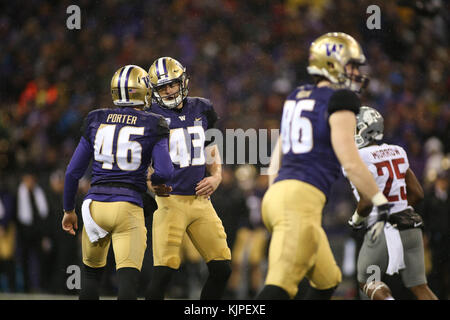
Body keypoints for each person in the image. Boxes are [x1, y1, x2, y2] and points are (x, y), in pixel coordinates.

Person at [256, 32, 392, 300]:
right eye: (351, 65)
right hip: (299, 201)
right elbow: (350, 162)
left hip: (278, 196)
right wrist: (382, 202)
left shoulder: (296, 95)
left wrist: (278, 196)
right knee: (278, 289)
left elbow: (276, 159)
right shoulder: (340, 100)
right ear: (333, 65)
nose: (356, 72)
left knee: (328, 279)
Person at [61, 65, 174, 300]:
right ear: (142, 90)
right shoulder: (154, 123)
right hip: (128, 207)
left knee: (90, 278)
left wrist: (68, 210)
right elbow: (165, 171)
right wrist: (156, 182)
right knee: (128, 283)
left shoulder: (96, 118)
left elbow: (72, 172)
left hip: (94, 206)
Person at [145, 57, 232, 300]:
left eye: (173, 84)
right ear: (154, 91)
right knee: (164, 272)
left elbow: (211, 144)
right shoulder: (150, 115)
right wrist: (149, 182)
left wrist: (216, 175)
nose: (170, 90)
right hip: (169, 201)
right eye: (163, 87)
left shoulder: (202, 107)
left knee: (222, 268)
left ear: (183, 81)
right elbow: (140, 159)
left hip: (200, 200)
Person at [347, 106, 438, 300]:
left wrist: (356, 220)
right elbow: (417, 193)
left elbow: (366, 202)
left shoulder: (357, 158)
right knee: (420, 287)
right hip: (410, 226)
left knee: (367, 281)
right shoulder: (397, 150)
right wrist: (396, 209)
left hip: (382, 230)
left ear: (365, 129)